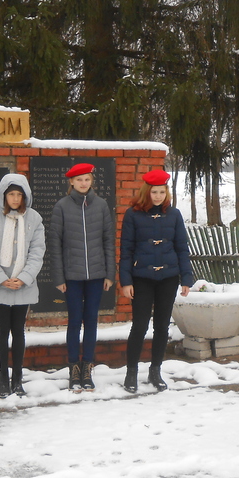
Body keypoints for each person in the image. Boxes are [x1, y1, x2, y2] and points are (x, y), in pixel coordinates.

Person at [119, 169, 194, 393]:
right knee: (140, 326)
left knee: (162, 327)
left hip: (168, 277)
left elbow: (182, 247)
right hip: (141, 278)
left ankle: (155, 370)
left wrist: (186, 278)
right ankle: (131, 372)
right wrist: (125, 281)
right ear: (146, 192)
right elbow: (126, 250)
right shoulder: (133, 214)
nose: (158, 196)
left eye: (162, 192)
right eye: (154, 192)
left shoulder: (174, 214)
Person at [46, 162, 115, 391]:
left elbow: (108, 240)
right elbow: (55, 244)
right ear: (71, 182)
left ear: (91, 181)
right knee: (75, 321)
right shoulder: (62, 206)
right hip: (72, 275)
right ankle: (73, 368)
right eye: (79, 180)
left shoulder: (102, 205)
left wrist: (109, 272)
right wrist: (59, 277)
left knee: (92, 321)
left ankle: (87, 367)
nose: (84, 183)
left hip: (96, 274)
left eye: (87, 179)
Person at [0, 173, 46, 398]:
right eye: (11, 194)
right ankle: (2, 377)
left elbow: (37, 252)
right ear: (4, 195)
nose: (15, 199)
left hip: (23, 285)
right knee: (3, 331)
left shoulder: (34, 218)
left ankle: (17, 377)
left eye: (19, 195)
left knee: (18, 331)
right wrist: (0, 278)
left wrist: (25, 277)